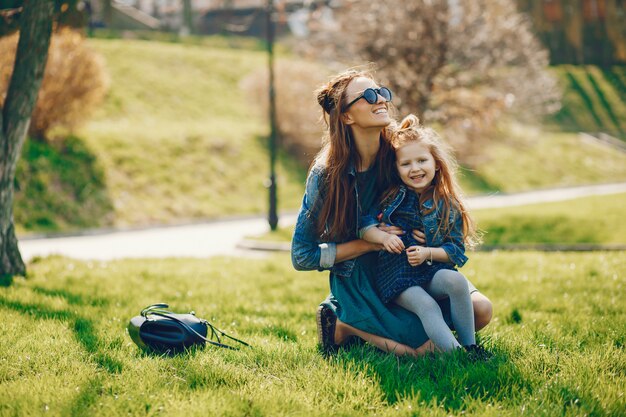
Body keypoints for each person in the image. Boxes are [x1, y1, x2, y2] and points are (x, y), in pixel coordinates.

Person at [291, 69, 493, 356]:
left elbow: (434, 196)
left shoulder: (400, 151)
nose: (381, 100)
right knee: (421, 347)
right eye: (369, 96)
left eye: (382, 92)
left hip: (413, 264)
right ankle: (343, 324)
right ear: (347, 116)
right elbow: (301, 256)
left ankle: (380, 332)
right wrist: (368, 243)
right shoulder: (326, 174)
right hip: (362, 276)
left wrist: (427, 238)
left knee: (481, 311)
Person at [361, 114, 488, 356]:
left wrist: (428, 251)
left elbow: (455, 252)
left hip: (429, 270)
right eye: (406, 164)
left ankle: (470, 347)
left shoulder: (446, 204)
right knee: (426, 305)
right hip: (396, 277)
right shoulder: (389, 197)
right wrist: (380, 235)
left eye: (422, 160)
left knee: (457, 281)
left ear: (436, 163)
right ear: (396, 169)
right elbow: (363, 223)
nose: (415, 169)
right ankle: (457, 356)